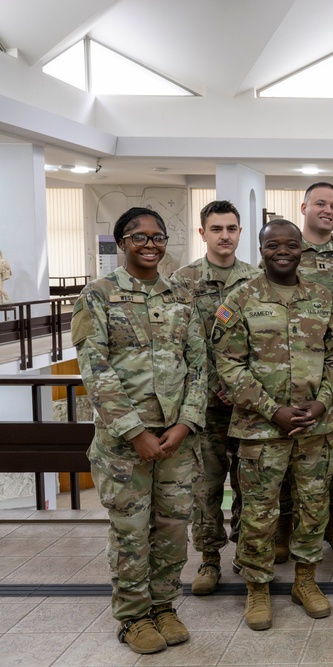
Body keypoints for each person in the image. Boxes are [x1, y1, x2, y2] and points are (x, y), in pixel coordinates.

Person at [71, 207, 207, 654]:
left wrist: (186, 423)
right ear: (122, 243)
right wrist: (135, 432)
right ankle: (133, 617)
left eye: (158, 236)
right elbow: (96, 371)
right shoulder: (97, 296)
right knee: (131, 530)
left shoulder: (179, 295)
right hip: (123, 443)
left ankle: (164, 606)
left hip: (176, 439)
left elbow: (198, 366)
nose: (150, 244)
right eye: (139, 237)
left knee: (171, 527)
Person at [213, 218, 333, 631]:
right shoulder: (242, 297)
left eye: (291, 244)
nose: (282, 251)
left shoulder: (321, 297)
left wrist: (322, 405)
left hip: (315, 430)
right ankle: (258, 588)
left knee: (313, 508)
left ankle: (305, 581)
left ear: (302, 248)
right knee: (258, 512)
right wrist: (272, 410)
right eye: (273, 245)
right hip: (261, 431)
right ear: (262, 249)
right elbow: (227, 364)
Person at [170, 200, 260, 595]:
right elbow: (175, 347)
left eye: (232, 228)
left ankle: (244, 552)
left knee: (248, 484)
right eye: (217, 228)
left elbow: (264, 344)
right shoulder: (181, 281)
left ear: (241, 232)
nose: (226, 235)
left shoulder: (257, 280)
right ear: (203, 233)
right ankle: (208, 560)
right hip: (202, 407)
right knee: (205, 489)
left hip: (246, 406)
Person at [288, 182, 333, 558]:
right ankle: (287, 525)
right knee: (292, 451)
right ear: (304, 206)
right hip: (296, 374)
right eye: (321, 203)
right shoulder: (285, 249)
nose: (328, 210)